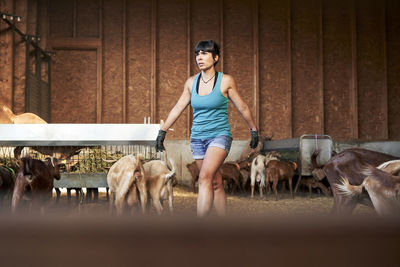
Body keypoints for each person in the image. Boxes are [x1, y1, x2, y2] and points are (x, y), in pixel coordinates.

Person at [155, 40, 258, 217]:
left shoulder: (226, 81)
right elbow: (178, 107)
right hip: (197, 138)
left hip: (219, 136)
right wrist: (162, 131)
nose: (199, 57)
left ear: (215, 57)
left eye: (204, 53)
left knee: (203, 178)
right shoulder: (191, 83)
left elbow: (242, 107)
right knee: (215, 182)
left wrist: (253, 130)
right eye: (197, 54)